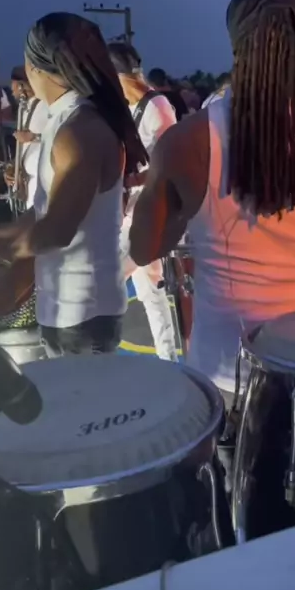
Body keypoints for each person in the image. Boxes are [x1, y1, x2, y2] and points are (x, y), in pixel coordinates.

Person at [129, 0, 295, 404]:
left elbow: (143, 248)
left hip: (221, 369)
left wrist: (188, 216)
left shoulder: (185, 141)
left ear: (235, 41)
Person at [0, 13, 147, 355]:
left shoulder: (79, 130)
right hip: (67, 310)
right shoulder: (66, 120)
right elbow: (42, 212)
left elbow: (56, 231)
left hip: (83, 314)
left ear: (35, 66)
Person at [108, 42, 179, 361]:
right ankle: (168, 360)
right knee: (150, 293)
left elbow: (171, 165)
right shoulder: (131, 107)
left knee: (108, 281)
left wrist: (131, 180)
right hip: (135, 212)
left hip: (149, 214)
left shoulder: (158, 106)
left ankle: (99, 356)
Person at [5, 66, 49, 208]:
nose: (12, 91)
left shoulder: (47, 104)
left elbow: (58, 135)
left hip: (44, 181)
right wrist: (14, 166)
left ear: (21, 85)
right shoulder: (24, 108)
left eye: (13, 85)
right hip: (29, 183)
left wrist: (33, 137)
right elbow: (24, 146)